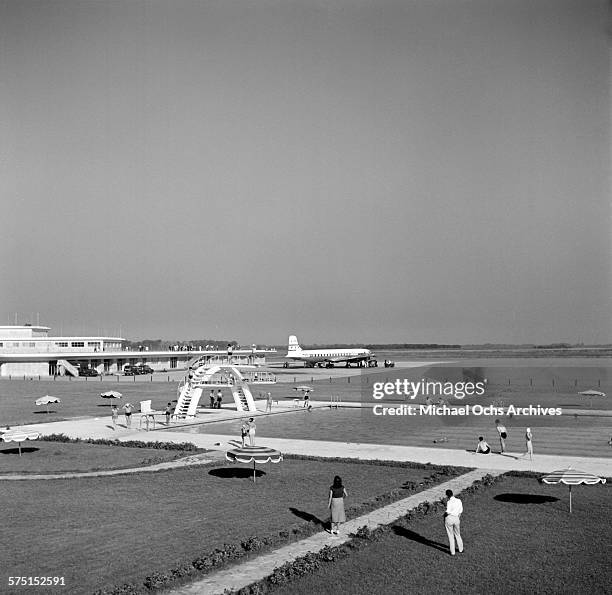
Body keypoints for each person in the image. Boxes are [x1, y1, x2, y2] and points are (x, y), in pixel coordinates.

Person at [444, 489, 463, 556]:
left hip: (449, 518)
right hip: (457, 518)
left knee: (450, 535)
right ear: (452, 493)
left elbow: (448, 511)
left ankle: (453, 552)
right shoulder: (459, 501)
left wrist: (444, 515)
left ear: (447, 495)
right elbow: (460, 511)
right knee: (458, 534)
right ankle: (461, 549)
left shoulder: (449, 502)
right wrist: (457, 518)